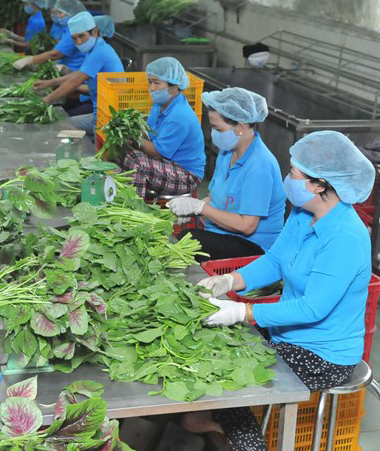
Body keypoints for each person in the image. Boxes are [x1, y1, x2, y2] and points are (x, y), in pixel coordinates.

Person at [182, 130, 375, 451]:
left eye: (293, 174)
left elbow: (312, 308)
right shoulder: (303, 214)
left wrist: (243, 311)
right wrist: (230, 281)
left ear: (319, 184)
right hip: (286, 333)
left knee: (233, 373)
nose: (288, 179)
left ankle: (247, 444)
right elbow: (274, 261)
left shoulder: (345, 238)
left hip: (323, 354)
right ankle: (210, 425)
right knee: (218, 346)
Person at [168, 88, 285, 261]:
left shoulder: (259, 165)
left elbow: (247, 226)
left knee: (190, 240)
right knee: (185, 241)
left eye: (218, 129)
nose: (213, 134)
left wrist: (200, 208)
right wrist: (191, 208)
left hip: (253, 246)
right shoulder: (227, 153)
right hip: (224, 233)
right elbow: (215, 196)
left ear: (240, 127)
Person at [121, 57, 205, 198]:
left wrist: (134, 138)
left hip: (187, 175)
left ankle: (134, 205)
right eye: (150, 82)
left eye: (157, 83)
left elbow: (157, 152)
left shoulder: (179, 116)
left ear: (174, 86)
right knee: (124, 150)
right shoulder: (159, 105)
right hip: (169, 164)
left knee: (136, 160)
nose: (151, 88)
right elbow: (148, 133)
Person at [34, 12, 123, 136]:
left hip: (108, 117)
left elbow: (76, 80)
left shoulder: (100, 51)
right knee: (65, 124)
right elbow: (77, 74)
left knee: (63, 126)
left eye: (82, 36)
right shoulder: (93, 49)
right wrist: (48, 83)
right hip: (100, 111)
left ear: (95, 32)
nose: (79, 42)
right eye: (74, 38)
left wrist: (47, 99)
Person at [12, 0, 87, 73]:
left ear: (70, 13)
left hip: (72, 71)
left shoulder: (74, 31)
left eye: (60, 13)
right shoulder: (68, 29)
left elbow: (55, 54)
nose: (58, 16)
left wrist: (29, 60)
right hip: (66, 67)